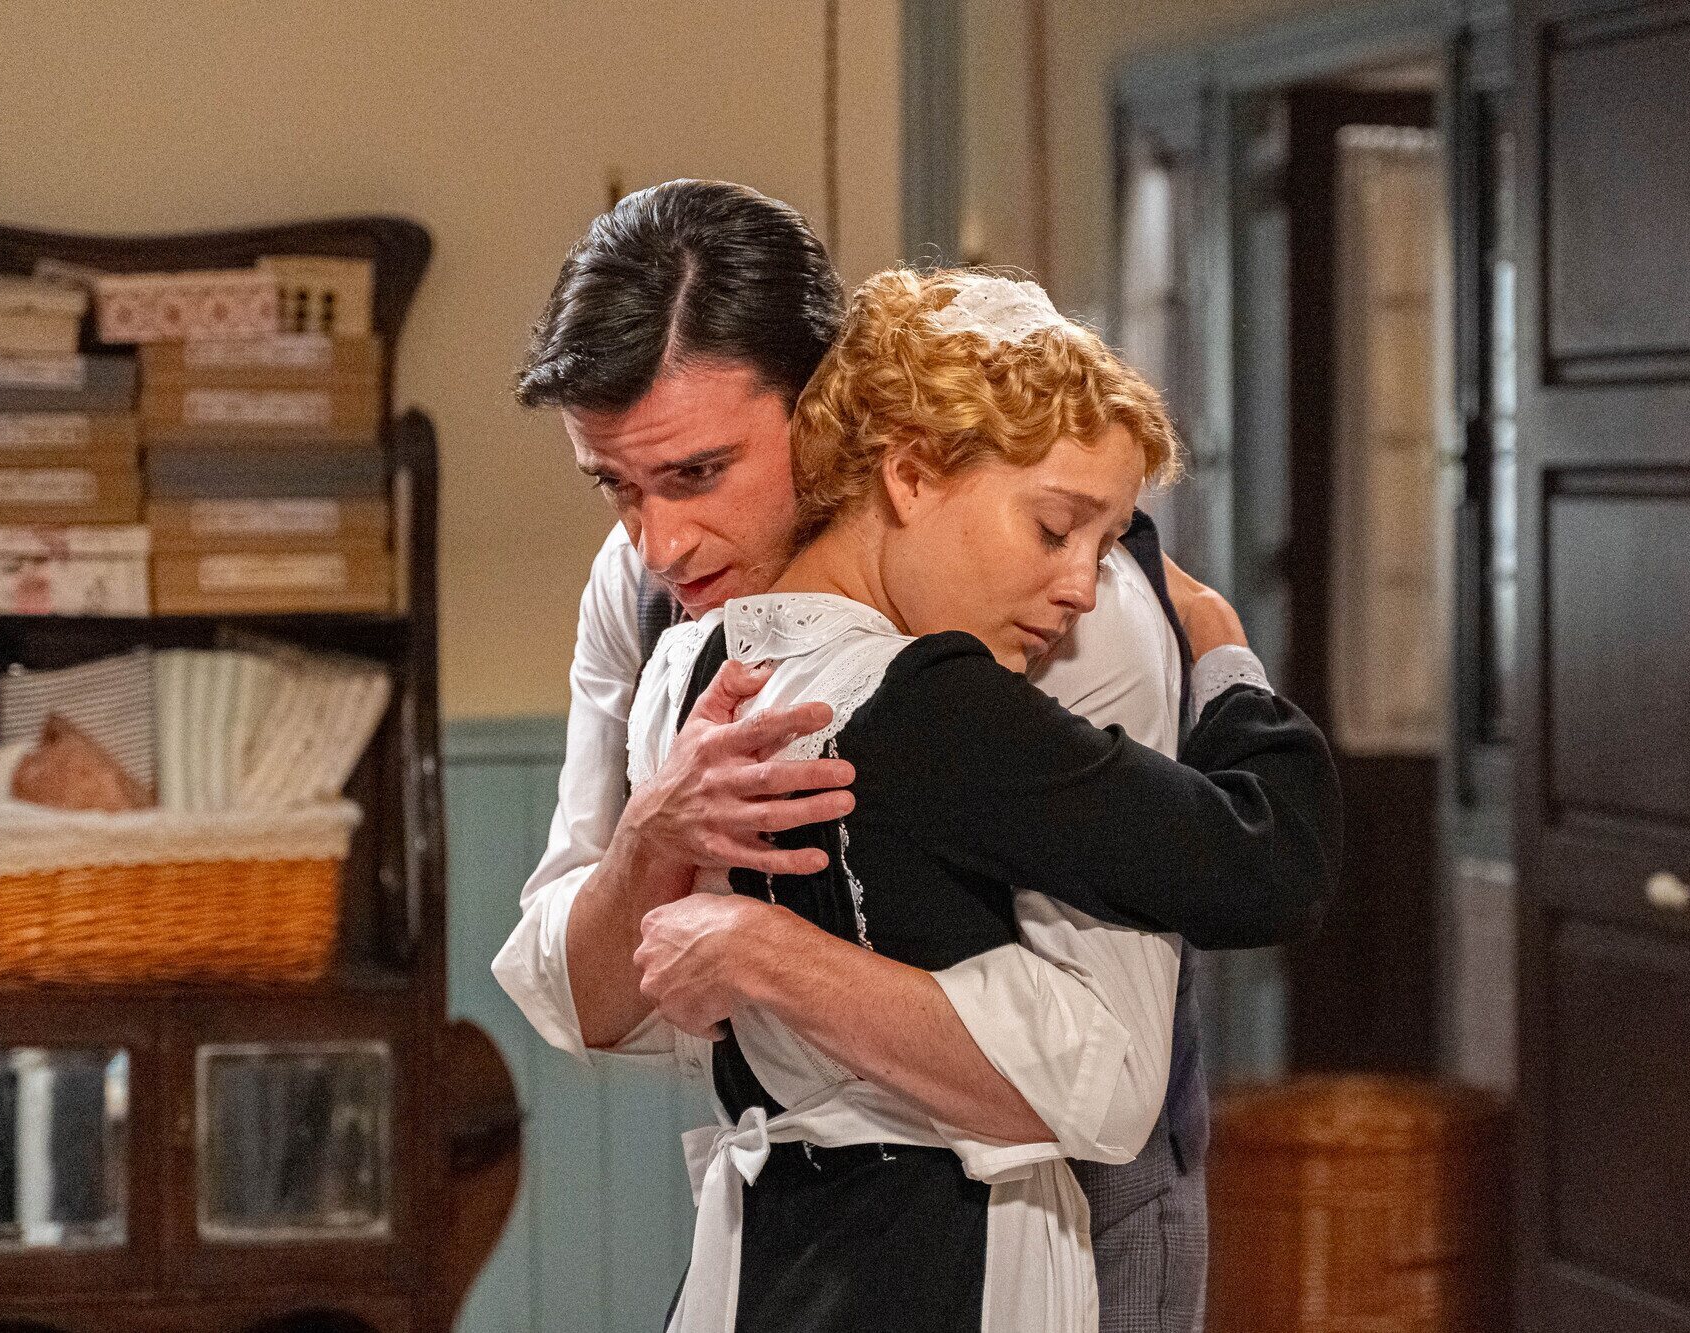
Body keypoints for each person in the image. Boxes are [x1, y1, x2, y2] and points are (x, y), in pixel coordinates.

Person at [492, 180, 1340, 1333]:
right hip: (794, 1216)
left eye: (699, 473)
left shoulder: (1070, 616)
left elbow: (1110, 1072)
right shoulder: (653, 603)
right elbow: (583, 997)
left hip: (1075, 1212)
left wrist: (760, 953)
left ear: (828, 413)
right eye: (617, 488)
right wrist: (651, 838)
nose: (659, 542)